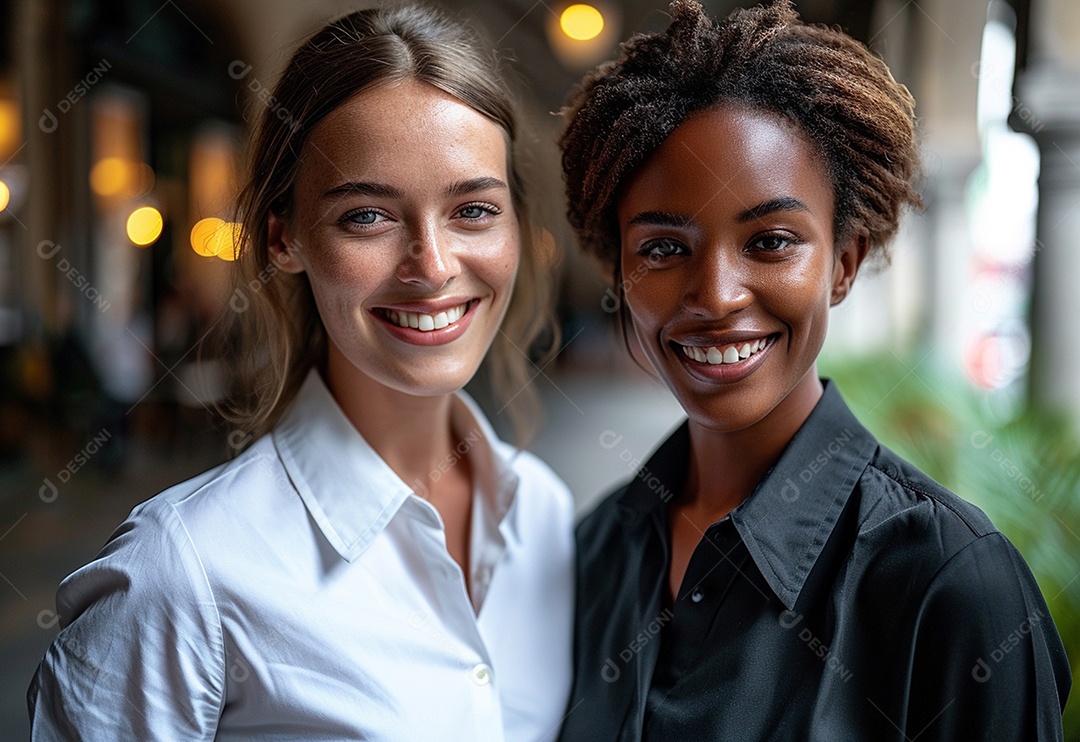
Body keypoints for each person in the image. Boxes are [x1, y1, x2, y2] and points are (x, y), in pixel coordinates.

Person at [28, 5, 574, 740]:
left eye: (473, 209)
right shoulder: (179, 573)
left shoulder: (543, 515)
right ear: (284, 237)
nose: (435, 267)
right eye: (367, 218)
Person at [556, 1, 1071, 740]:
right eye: (664, 249)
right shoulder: (599, 548)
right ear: (619, 272)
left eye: (770, 241)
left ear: (843, 263)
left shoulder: (952, 584)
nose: (716, 296)